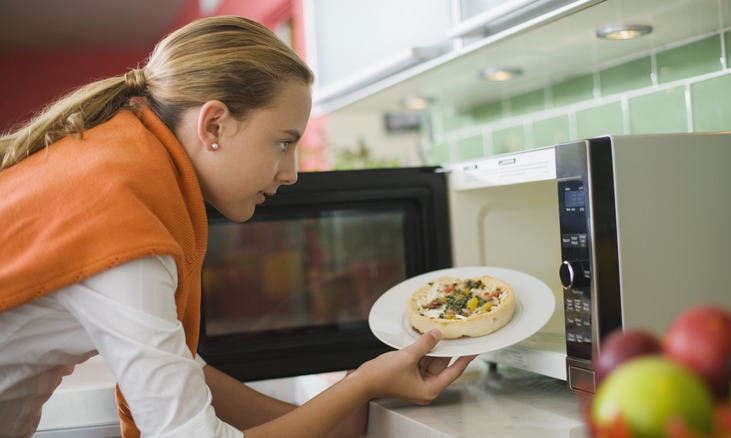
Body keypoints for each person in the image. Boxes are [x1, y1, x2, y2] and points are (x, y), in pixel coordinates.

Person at [0, 16, 475, 438]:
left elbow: (187, 372)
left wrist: (340, 410)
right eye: (283, 142)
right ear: (214, 126)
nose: (290, 172)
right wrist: (364, 384)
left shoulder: (126, 164)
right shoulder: (122, 218)